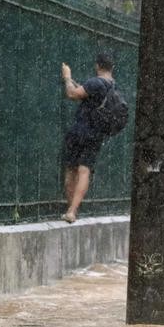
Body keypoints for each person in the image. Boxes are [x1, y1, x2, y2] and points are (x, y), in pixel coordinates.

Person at [60, 53, 116, 223]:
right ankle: (73, 210)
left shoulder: (95, 82)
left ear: (97, 66)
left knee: (71, 169)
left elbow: (72, 94)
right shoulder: (113, 86)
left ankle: (71, 210)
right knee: (85, 171)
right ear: (112, 68)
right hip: (97, 133)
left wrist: (67, 77)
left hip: (80, 130)